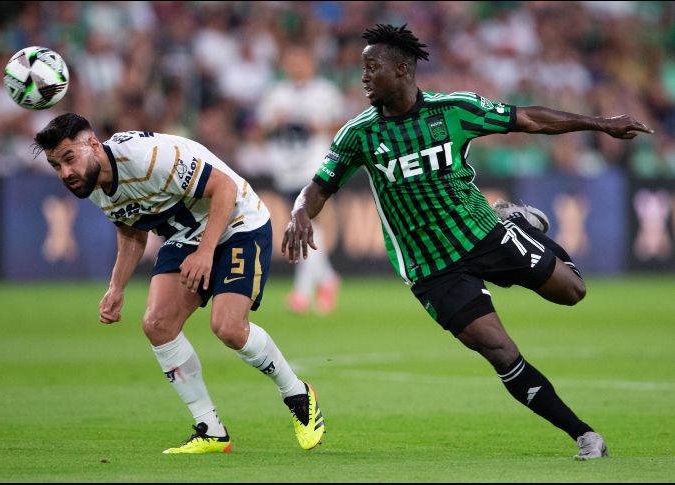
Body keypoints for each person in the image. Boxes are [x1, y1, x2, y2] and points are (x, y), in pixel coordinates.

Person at [282, 24, 654, 460]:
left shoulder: (454, 110)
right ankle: (584, 435)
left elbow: (528, 119)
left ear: (401, 70)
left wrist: (600, 124)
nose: (362, 77)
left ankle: (518, 223)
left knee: (572, 292)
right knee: (499, 350)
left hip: (483, 234)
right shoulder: (358, 134)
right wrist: (299, 213)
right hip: (431, 267)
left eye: (371, 67)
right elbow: (318, 187)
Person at [33, 113, 325, 454]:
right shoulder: (95, 187)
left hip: (238, 222)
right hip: (186, 235)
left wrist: (205, 253)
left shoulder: (148, 157)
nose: (66, 173)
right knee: (158, 324)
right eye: (56, 166)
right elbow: (131, 230)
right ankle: (210, 430)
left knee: (228, 327)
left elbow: (225, 188)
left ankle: (297, 395)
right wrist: (116, 287)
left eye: (69, 158)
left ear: (93, 145)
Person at [256, 45, 345, 315]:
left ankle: (302, 292)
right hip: (286, 168)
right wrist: (275, 123)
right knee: (305, 224)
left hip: (315, 165)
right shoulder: (276, 94)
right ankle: (327, 279)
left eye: (300, 60)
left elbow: (343, 126)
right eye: (291, 61)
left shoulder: (325, 92)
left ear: (311, 63)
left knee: (307, 220)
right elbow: (260, 131)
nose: (296, 66)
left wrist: (322, 127)